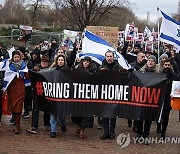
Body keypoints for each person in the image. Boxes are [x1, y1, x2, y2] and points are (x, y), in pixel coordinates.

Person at [0, 50, 29, 134]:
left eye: (18, 57)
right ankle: (15, 123)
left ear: (20, 57)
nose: (16, 59)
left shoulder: (24, 65)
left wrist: (25, 73)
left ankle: (17, 125)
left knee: (18, 106)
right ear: (12, 58)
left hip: (20, 87)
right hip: (11, 88)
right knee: (12, 105)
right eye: (15, 57)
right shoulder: (8, 65)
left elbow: (27, 76)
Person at [99, 50, 123, 140]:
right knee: (104, 113)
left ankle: (112, 131)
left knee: (113, 113)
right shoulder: (101, 66)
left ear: (113, 57)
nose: (109, 58)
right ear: (105, 57)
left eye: (110, 56)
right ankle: (106, 132)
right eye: (108, 56)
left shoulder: (118, 66)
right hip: (104, 92)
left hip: (114, 92)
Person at [137, 55, 160, 145]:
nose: (150, 62)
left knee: (148, 118)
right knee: (139, 117)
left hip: (151, 98)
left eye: (152, 61)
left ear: (155, 63)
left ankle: (145, 135)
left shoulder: (158, 73)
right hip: (141, 97)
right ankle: (139, 133)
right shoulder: (141, 71)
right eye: (149, 60)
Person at [26, 55, 51, 134]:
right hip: (37, 91)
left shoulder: (50, 70)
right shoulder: (36, 69)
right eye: (42, 61)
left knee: (47, 108)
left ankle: (47, 124)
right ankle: (34, 126)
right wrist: (33, 70)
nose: (43, 63)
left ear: (48, 63)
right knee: (36, 108)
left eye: (45, 61)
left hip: (47, 91)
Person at [71, 56, 95, 139]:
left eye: (87, 62)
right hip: (78, 94)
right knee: (77, 112)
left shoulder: (93, 71)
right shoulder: (77, 69)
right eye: (84, 61)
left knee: (86, 113)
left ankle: (82, 129)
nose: (85, 63)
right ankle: (78, 125)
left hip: (88, 95)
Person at [160, 59, 179, 139]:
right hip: (159, 98)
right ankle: (159, 128)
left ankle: (163, 131)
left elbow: (177, 87)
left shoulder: (174, 76)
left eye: (168, 65)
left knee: (166, 116)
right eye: (165, 65)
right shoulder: (159, 75)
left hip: (168, 98)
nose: (167, 66)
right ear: (163, 65)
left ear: (171, 65)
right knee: (160, 115)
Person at [50, 55, 67, 138]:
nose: (60, 61)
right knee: (53, 113)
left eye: (62, 60)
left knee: (61, 113)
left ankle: (62, 123)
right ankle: (53, 130)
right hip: (54, 93)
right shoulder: (52, 70)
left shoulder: (67, 71)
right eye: (59, 60)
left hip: (63, 94)